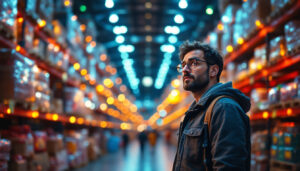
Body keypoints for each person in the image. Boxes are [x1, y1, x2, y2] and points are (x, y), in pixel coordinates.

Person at [172, 41, 251, 171]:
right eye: (184, 65)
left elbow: (228, 166)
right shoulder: (196, 111)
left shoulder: (224, 108)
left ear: (213, 71)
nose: (185, 70)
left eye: (194, 63)